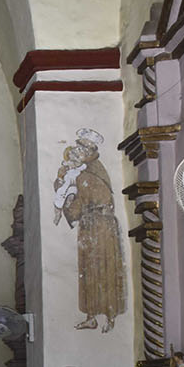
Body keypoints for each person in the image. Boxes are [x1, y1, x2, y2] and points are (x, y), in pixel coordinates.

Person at [52, 129, 127, 332]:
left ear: (90, 149)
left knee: (105, 271)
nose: (78, 149)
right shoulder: (83, 171)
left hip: (101, 227)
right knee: (88, 271)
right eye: (78, 145)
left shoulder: (90, 173)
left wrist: (65, 202)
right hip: (90, 226)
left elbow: (80, 204)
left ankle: (110, 316)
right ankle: (91, 316)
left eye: (82, 146)